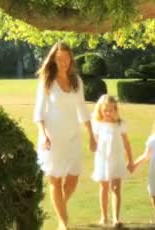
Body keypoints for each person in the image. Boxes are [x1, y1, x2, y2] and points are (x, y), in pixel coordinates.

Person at [33, 42, 97, 230]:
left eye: (66, 58)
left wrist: (91, 135)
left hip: (72, 136)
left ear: (71, 58)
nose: (63, 62)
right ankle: (63, 222)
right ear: (53, 59)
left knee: (74, 177)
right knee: (55, 179)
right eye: (59, 58)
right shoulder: (47, 80)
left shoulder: (77, 80)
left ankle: (59, 205)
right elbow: (39, 112)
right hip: (52, 137)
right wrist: (43, 135)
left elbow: (83, 110)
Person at [90, 94, 134, 227]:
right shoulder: (97, 124)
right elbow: (94, 142)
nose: (108, 113)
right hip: (102, 160)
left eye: (111, 110)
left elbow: (127, 143)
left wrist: (130, 160)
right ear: (100, 110)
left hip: (117, 159)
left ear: (116, 109)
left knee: (115, 188)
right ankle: (103, 217)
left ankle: (116, 218)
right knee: (103, 187)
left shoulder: (120, 124)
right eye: (105, 110)